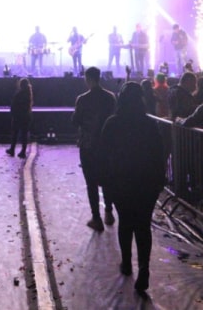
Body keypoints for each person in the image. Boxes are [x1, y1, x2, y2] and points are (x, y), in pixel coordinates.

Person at [100, 82, 168, 293]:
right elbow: (159, 153)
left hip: (121, 180)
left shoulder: (112, 123)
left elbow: (103, 154)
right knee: (143, 225)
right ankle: (144, 268)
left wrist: (104, 179)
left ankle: (127, 262)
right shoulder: (149, 124)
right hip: (146, 181)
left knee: (126, 222)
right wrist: (159, 179)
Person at [73, 66, 117, 230]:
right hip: (107, 145)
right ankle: (109, 212)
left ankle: (96, 218)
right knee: (107, 179)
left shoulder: (82, 99)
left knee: (91, 182)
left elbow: (75, 121)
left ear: (88, 79)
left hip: (88, 145)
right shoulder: (110, 97)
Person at [7, 77, 33, 158]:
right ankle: (23, 151)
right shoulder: (28, 94)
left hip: (18, 116)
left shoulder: (20, 94)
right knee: (24, 134)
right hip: (25, 116)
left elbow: (14, 104)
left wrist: (13, 113)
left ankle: (12, 149)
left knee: (15, 133)